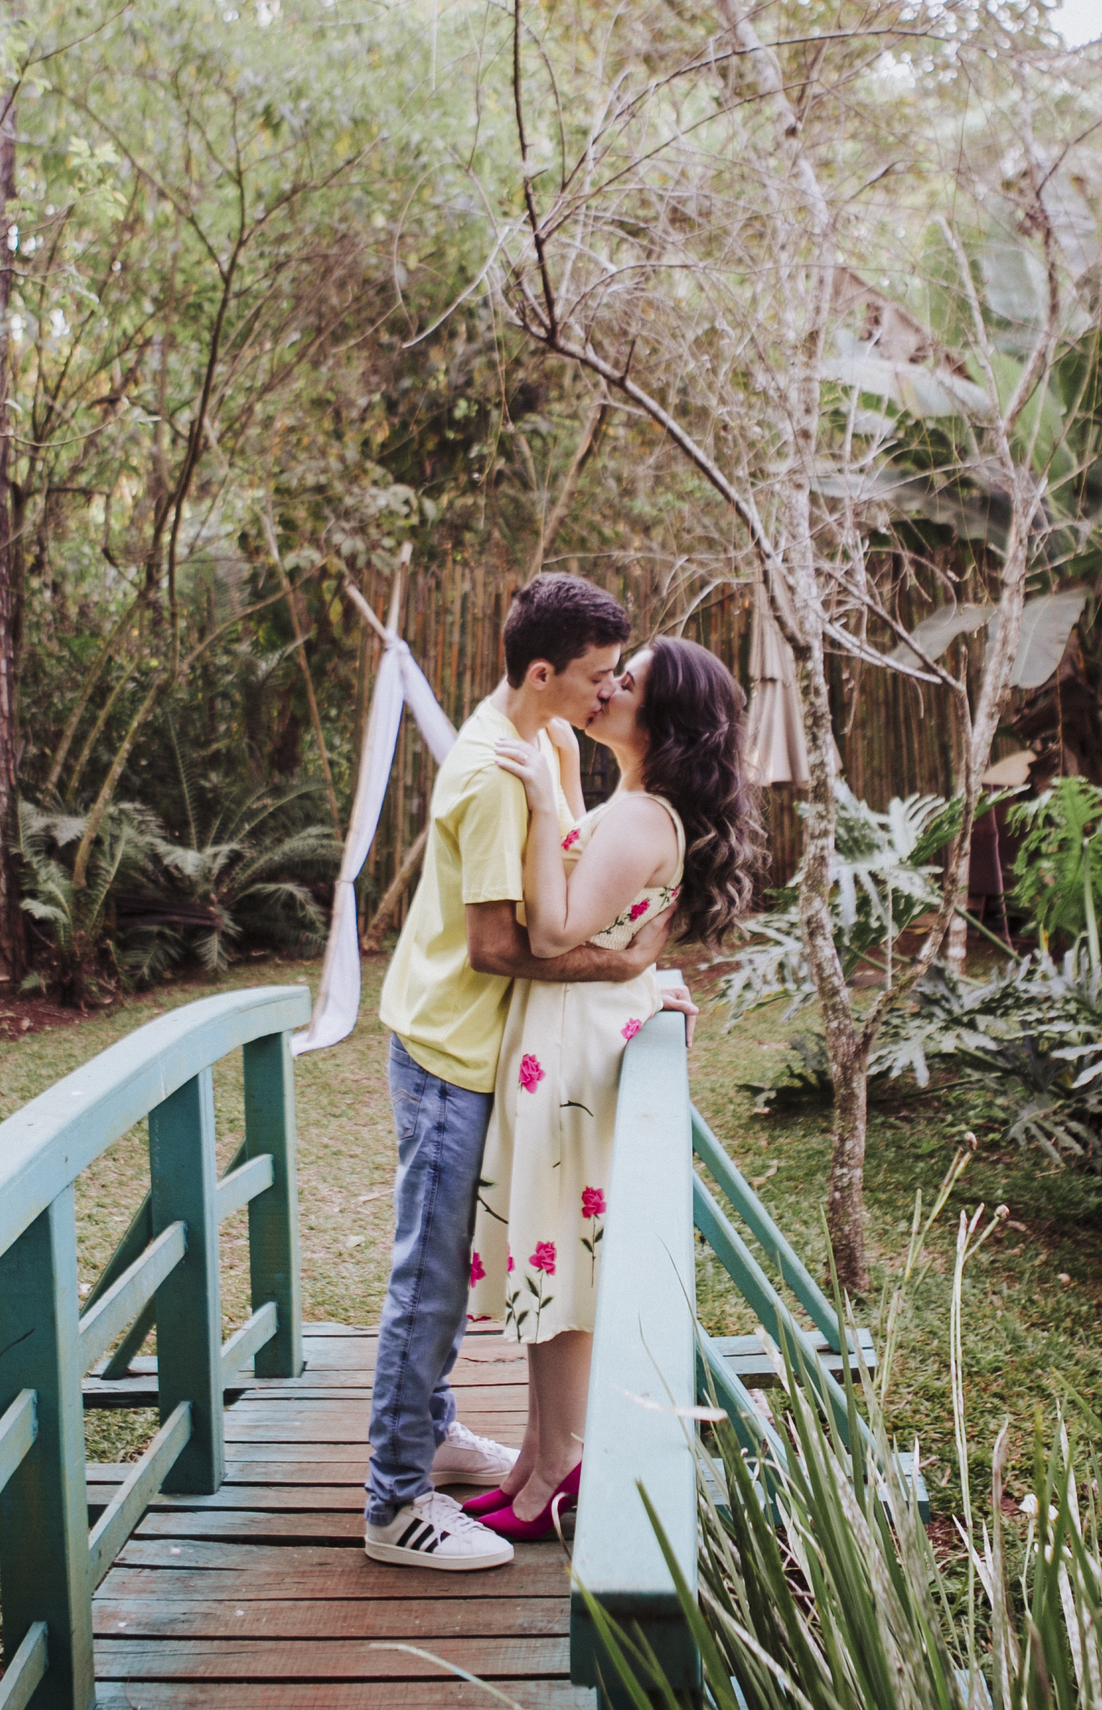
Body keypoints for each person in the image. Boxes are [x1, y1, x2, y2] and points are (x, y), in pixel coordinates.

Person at [364, 574, 684, 1573]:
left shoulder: (544, 738)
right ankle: (394, 1503)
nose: (607, 691)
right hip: (452, 1054)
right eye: (597, 675)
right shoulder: (496, 774)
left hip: (478, 1046)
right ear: (544, 673)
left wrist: (642, 974)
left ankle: (433, 1430)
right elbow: (503, 946)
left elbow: (577, 872)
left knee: (445, 1272)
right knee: (428, 1284)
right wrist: (622, 968)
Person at [464, 635, 763, 1539]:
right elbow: (591, 902)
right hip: (570, 1036)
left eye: (625, 682)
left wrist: (543, 796)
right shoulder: (635, 806)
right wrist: (562, 780)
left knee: (554, 1268)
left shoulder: (640, 818)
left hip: (571, 1052)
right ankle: (537, 1457)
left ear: (661, 719)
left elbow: (555, 932)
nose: (605, 688)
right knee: (549, 1267)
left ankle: (559, 1470)